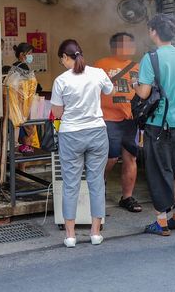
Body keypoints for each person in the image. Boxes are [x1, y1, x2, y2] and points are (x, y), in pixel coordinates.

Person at [132, 14, 175, 237]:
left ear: (153, 32)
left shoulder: (151, 58)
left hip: (158, 123)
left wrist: (134, 84)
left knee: (159, 170)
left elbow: (145, 92)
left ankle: (161, 222)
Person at [51, 39, 113, 248]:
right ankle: (95, 232)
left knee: (71, 184)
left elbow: (57, 112)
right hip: (97, 132)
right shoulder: (98, 73)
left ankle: (70, 235)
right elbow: (109, 91)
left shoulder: (61, 80)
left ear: (65, 58)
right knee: (96, 183)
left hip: (71, 135)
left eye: (62, 59)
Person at [94, 32, 142, 213]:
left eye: (131, 44)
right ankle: (100, 187)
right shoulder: (101, 65)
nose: (128, 48)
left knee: (130, 157)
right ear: (114, 47)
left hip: (130, 120)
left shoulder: (137, 67)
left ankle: (127, 197)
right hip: (108, 119)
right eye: (124, 45)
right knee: (110, 157)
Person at [10, 43, 42, 153]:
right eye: (29, 54)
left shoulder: (13, 66)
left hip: (14, 103)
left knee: (16, 128)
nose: (31, 56)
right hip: (22, 104)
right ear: (22, 54)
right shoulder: (23, 67)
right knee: (25, 130)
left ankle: (16, 148)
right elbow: (30, 87)